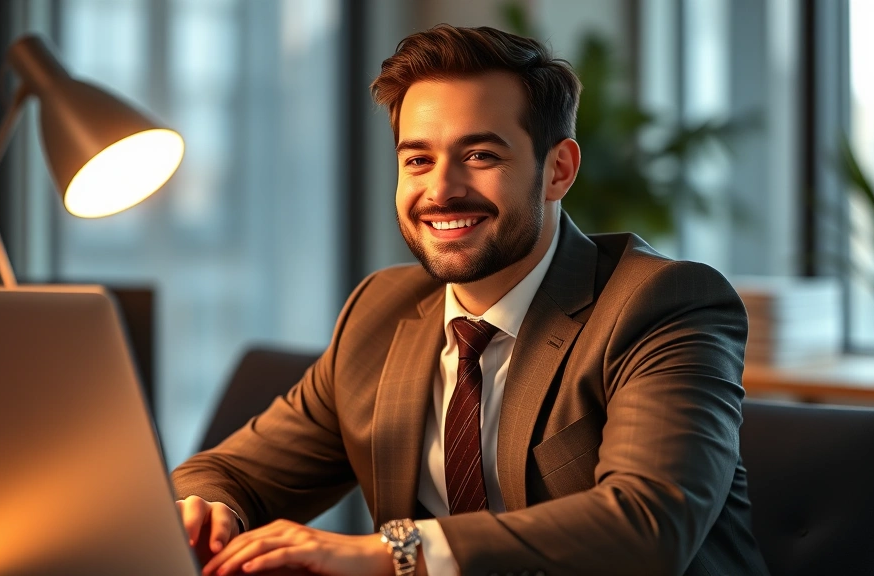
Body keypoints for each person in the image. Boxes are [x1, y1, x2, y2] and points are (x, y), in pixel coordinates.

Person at [172, 24, 769, 576]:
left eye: (481, 156)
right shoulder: (380, 311)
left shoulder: (662, 304)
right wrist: (205, 509)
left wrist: (395, 555)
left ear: (558, 169)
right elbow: (225, 472)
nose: (441, 190)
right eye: (417, 160)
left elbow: (647, 523)